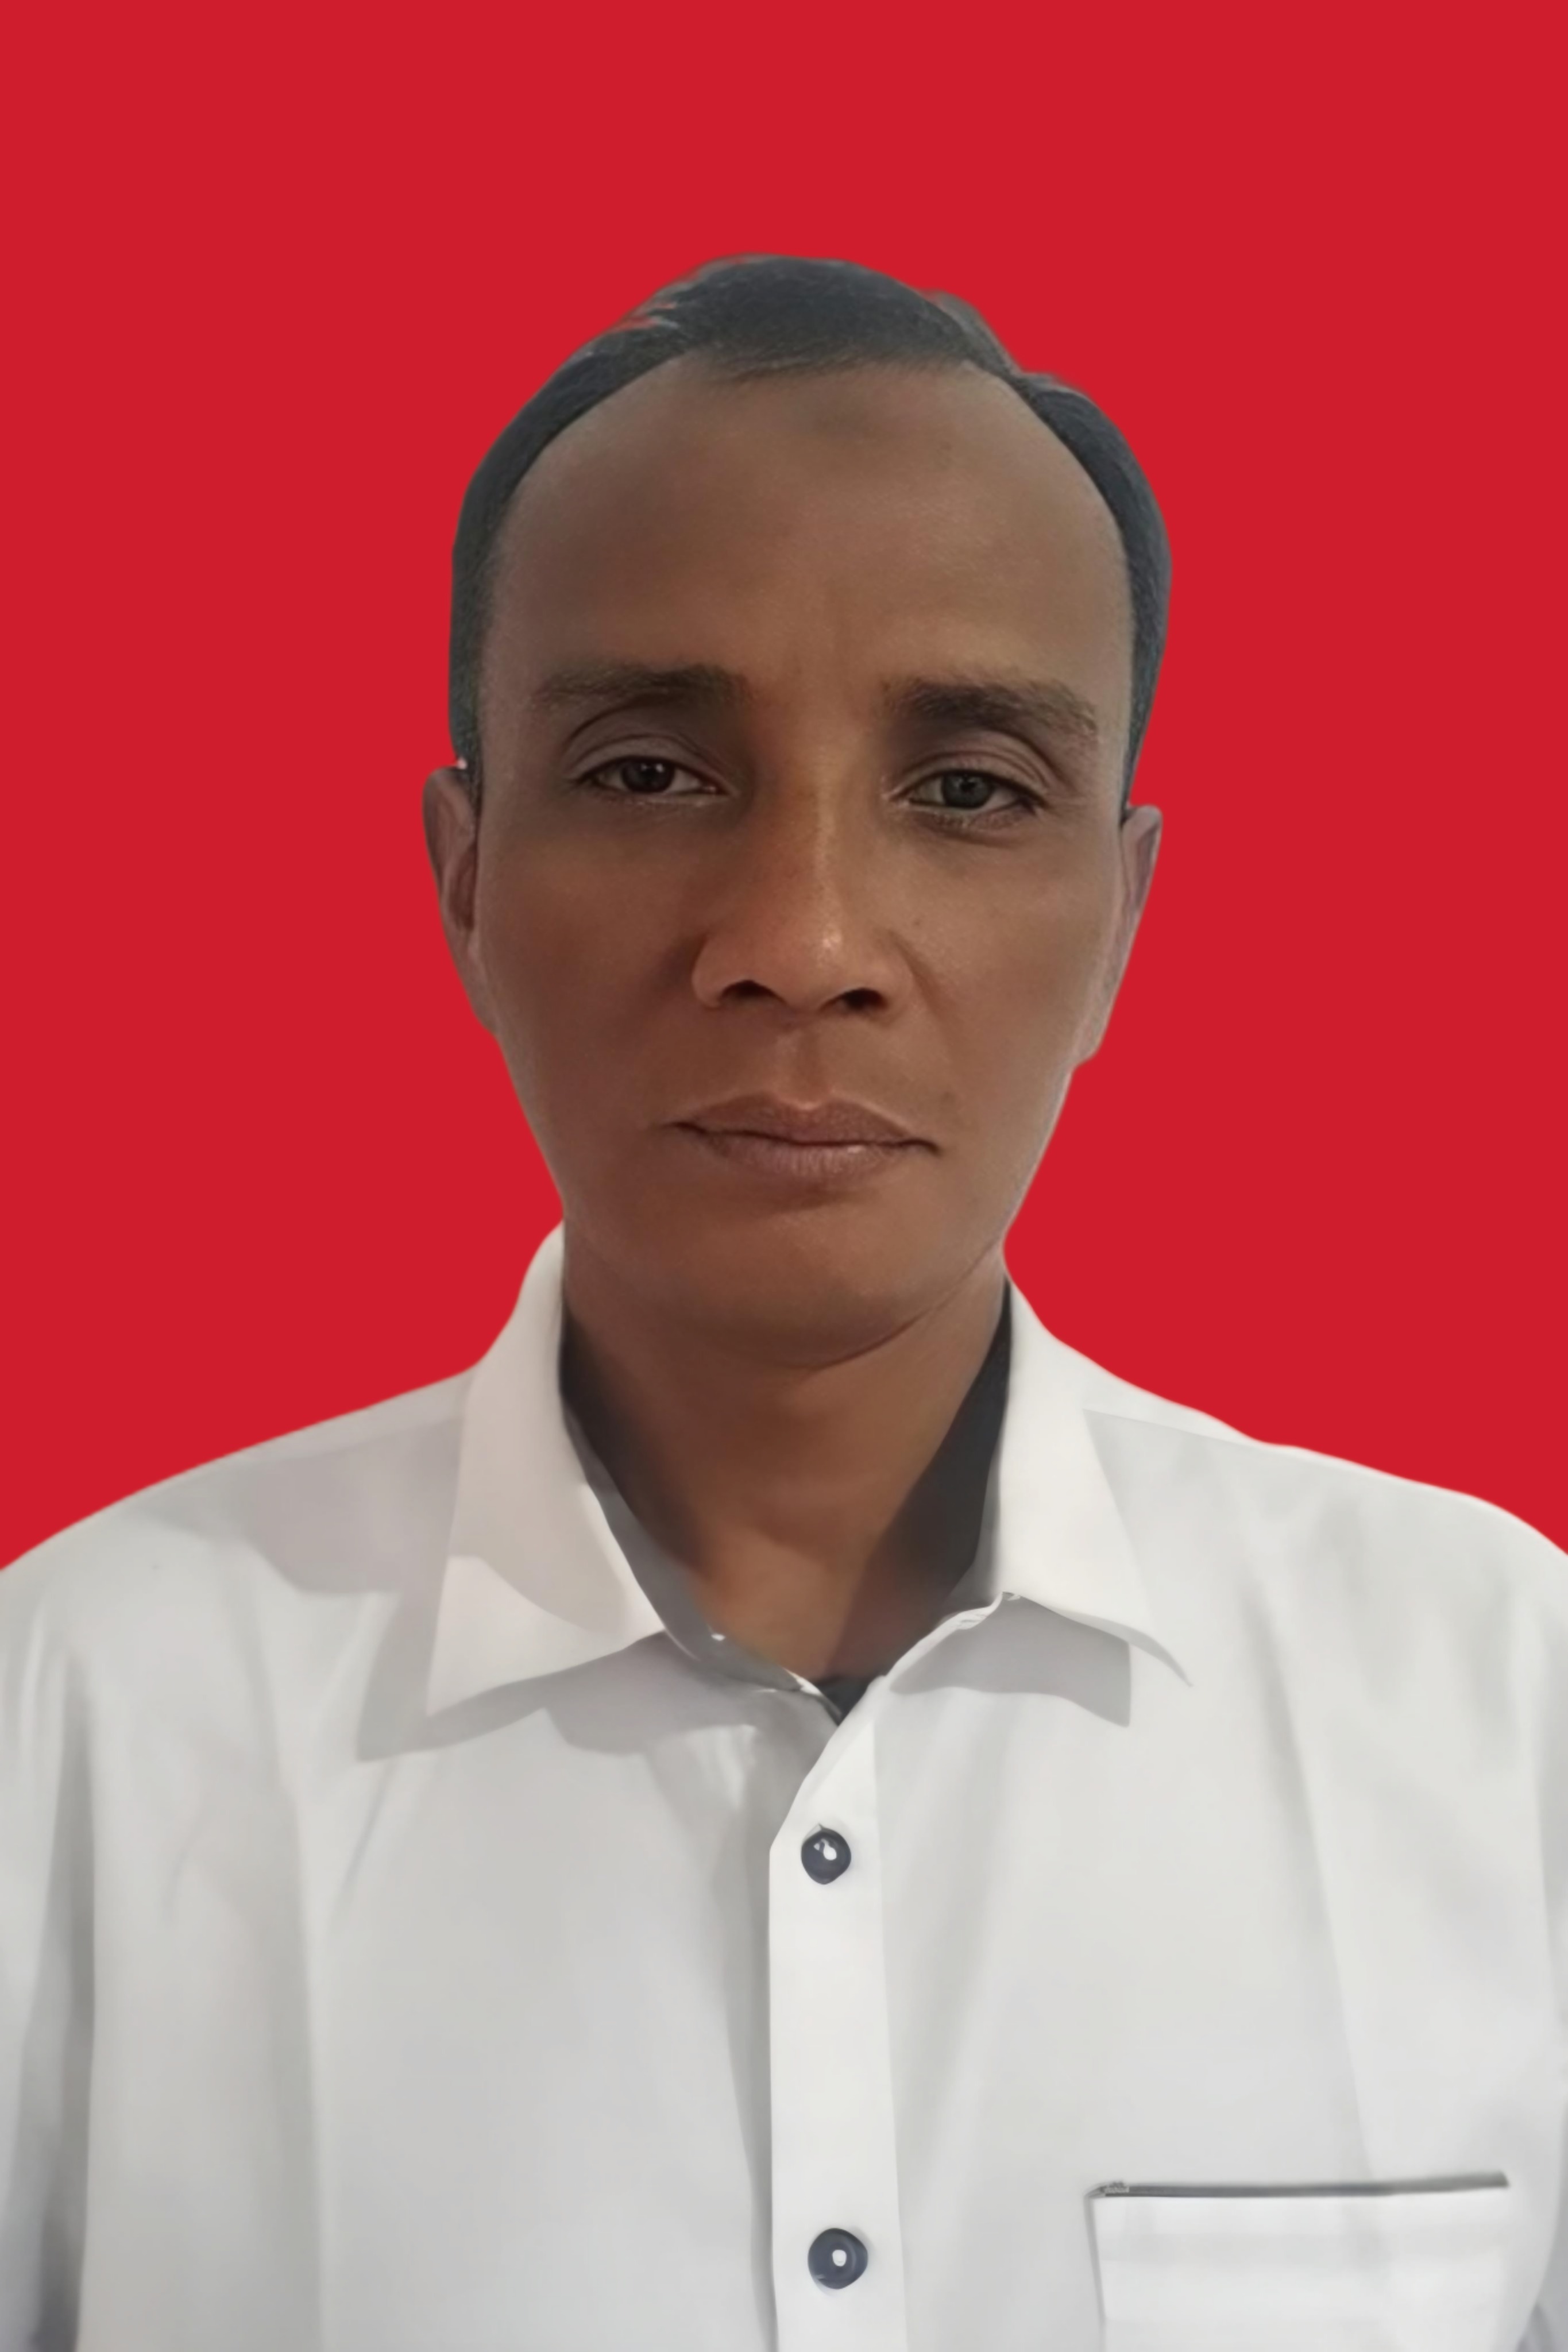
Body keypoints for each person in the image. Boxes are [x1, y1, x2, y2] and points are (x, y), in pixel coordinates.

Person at [1, 253, 1563, 2352]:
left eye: (969, 789)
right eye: (652, 772)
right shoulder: (74, 1733)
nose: (803, 939)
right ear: (465, 876)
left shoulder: (1503, 1714)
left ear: (1119, 917)